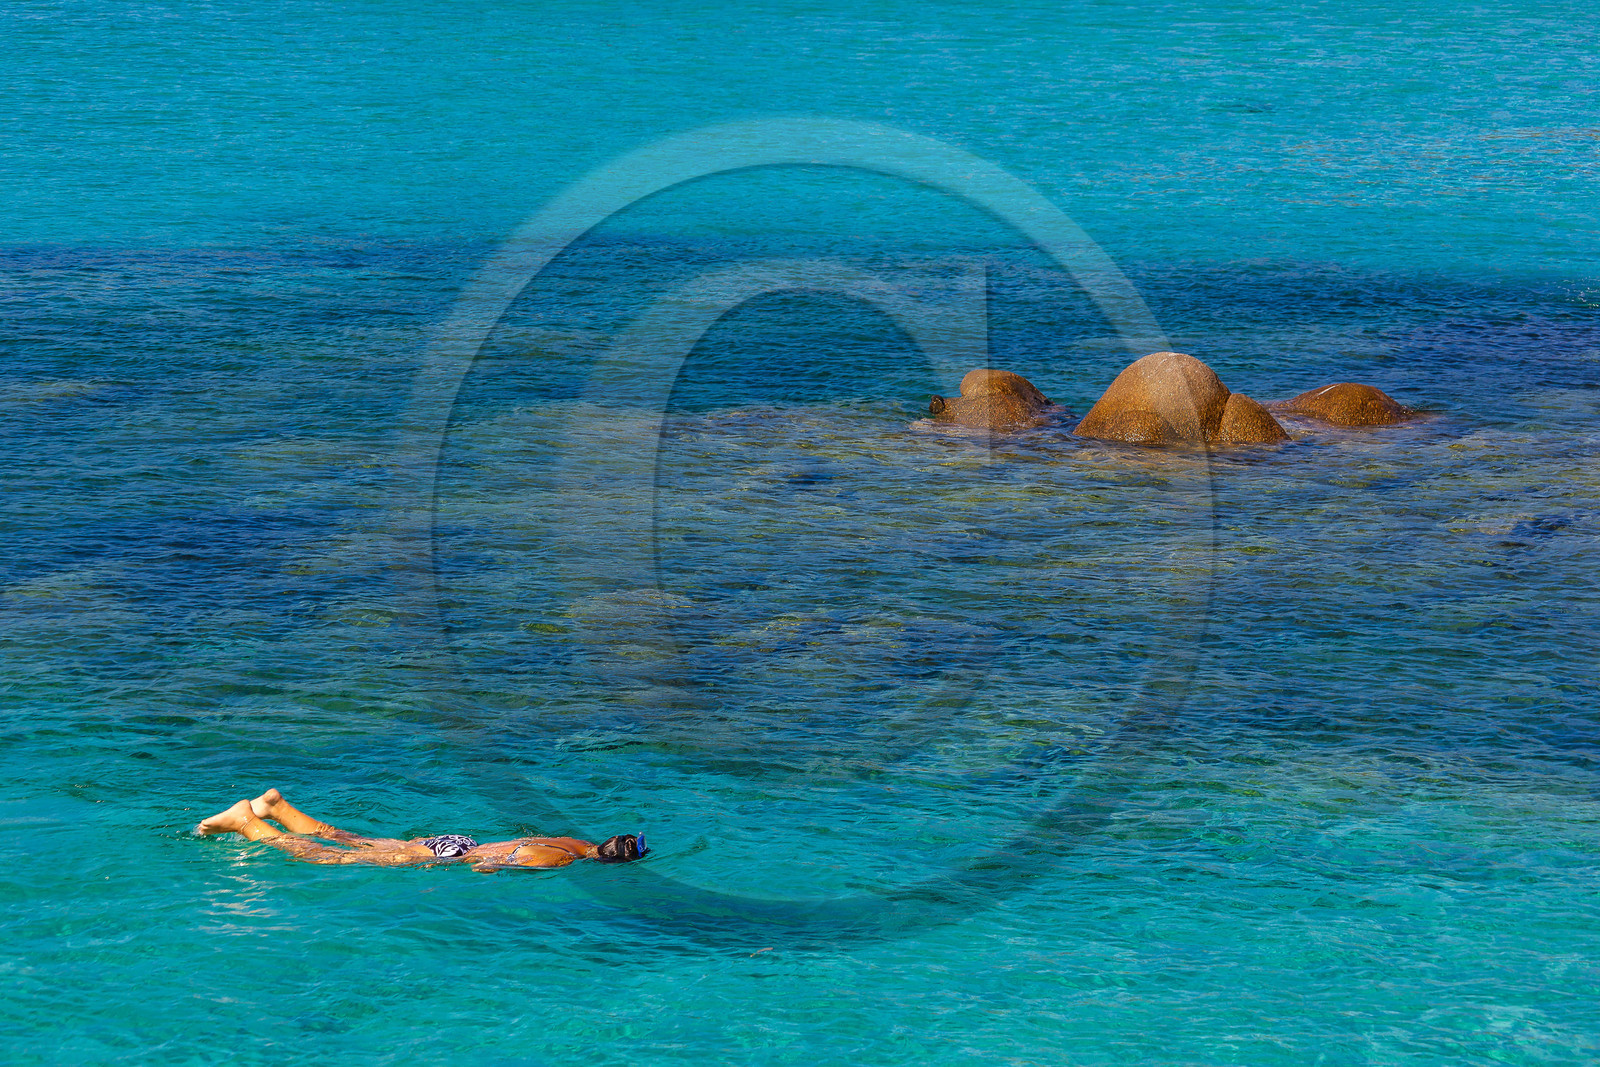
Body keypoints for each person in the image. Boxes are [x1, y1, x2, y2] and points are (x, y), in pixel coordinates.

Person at [194, 788, 647, 872]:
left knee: (353, 839)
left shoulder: (572, 842)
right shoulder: (562, 859)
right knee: (334, 857)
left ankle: (276, 806)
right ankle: (249, 823)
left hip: (455, 840)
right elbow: (491, 867)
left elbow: (518, 842)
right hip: (452, 857)